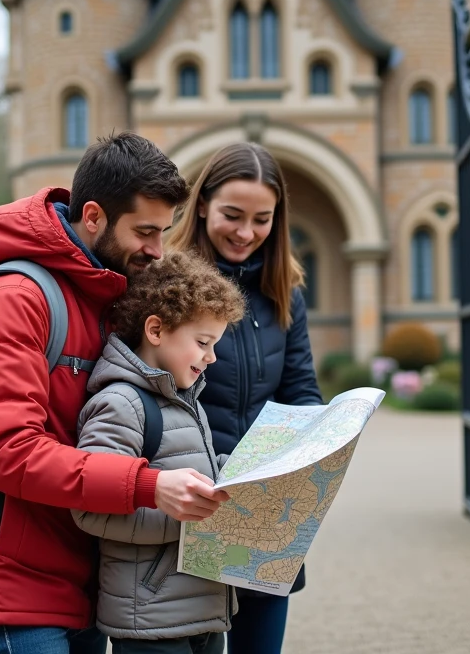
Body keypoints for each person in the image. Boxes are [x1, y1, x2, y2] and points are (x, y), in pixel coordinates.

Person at [0, 132, 232, 654]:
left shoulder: (106, 290)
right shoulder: (12, 300)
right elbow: (8, 453)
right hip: (15, 584)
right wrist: (149, 485)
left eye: (164, 232)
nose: (156, 250)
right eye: (145, 231)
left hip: (87, 579)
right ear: (94, 216)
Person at [166, 142, 323, 653]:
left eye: (262, 220)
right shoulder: (168, 284)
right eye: (232, 215)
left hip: (265, 507)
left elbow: (300, 389)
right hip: (190, 501)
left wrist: (322, 443)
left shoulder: (285, 292)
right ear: (204, 203)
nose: (245, 232)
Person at [72, 252, 246, 654]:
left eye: (215, 344)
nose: (212, 357)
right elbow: (90, 508)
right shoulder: (120, 403)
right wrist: (192, 516)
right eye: (203, 342)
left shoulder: (187, 400)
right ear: (156, 329)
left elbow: (189, 472)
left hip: (202, 609)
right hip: (150, 617)